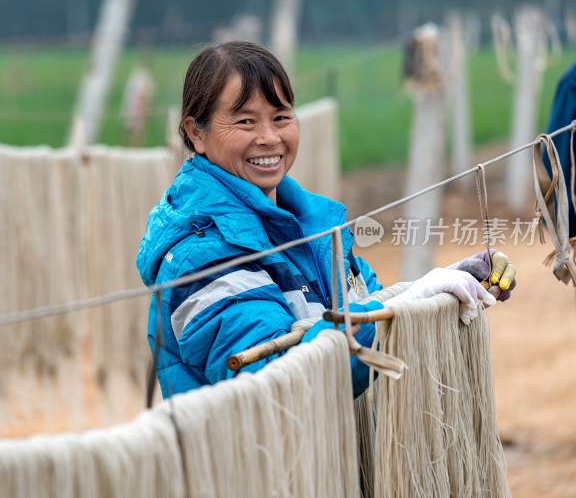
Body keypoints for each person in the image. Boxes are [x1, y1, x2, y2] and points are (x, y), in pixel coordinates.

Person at [136, 41, 516, 399]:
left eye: (281, 117)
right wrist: (410, 303)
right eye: (246, 122)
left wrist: (447, 285)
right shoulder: (200, 257)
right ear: (195, 133)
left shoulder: (311, 226)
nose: (270, 137)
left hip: (326, 461)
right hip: (257, 465)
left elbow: (366, 304)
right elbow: (279, 379)